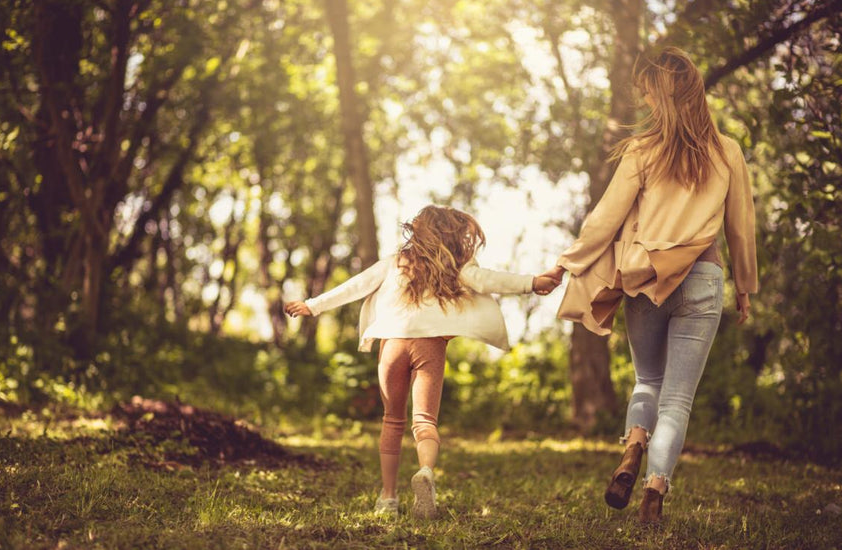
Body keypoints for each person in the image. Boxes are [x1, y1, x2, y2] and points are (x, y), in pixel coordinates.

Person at [542, 47, 758, 523]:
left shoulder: (643, 150)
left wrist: (565, 264)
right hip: (703, 276)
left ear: (661, 94)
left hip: (645, 278)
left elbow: (604, 220)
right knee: (678, 399)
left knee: (648, 381)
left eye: (645, 92)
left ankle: (633, 446)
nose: (642, 100)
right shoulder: (728, 151)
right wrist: (744, 287)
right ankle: (654, 492)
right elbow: (740, 228)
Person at [285, 205, 560, 519]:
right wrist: (533, 282)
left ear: (418, 231)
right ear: (451, 235)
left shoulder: (393, 263)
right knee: (424, 421)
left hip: (392, 345)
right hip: (429, 346)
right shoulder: (455, 266)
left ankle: (388, 497)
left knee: (392, 420)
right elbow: (489, 280)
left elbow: (356, 286)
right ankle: (426, 471)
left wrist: (312, 306)